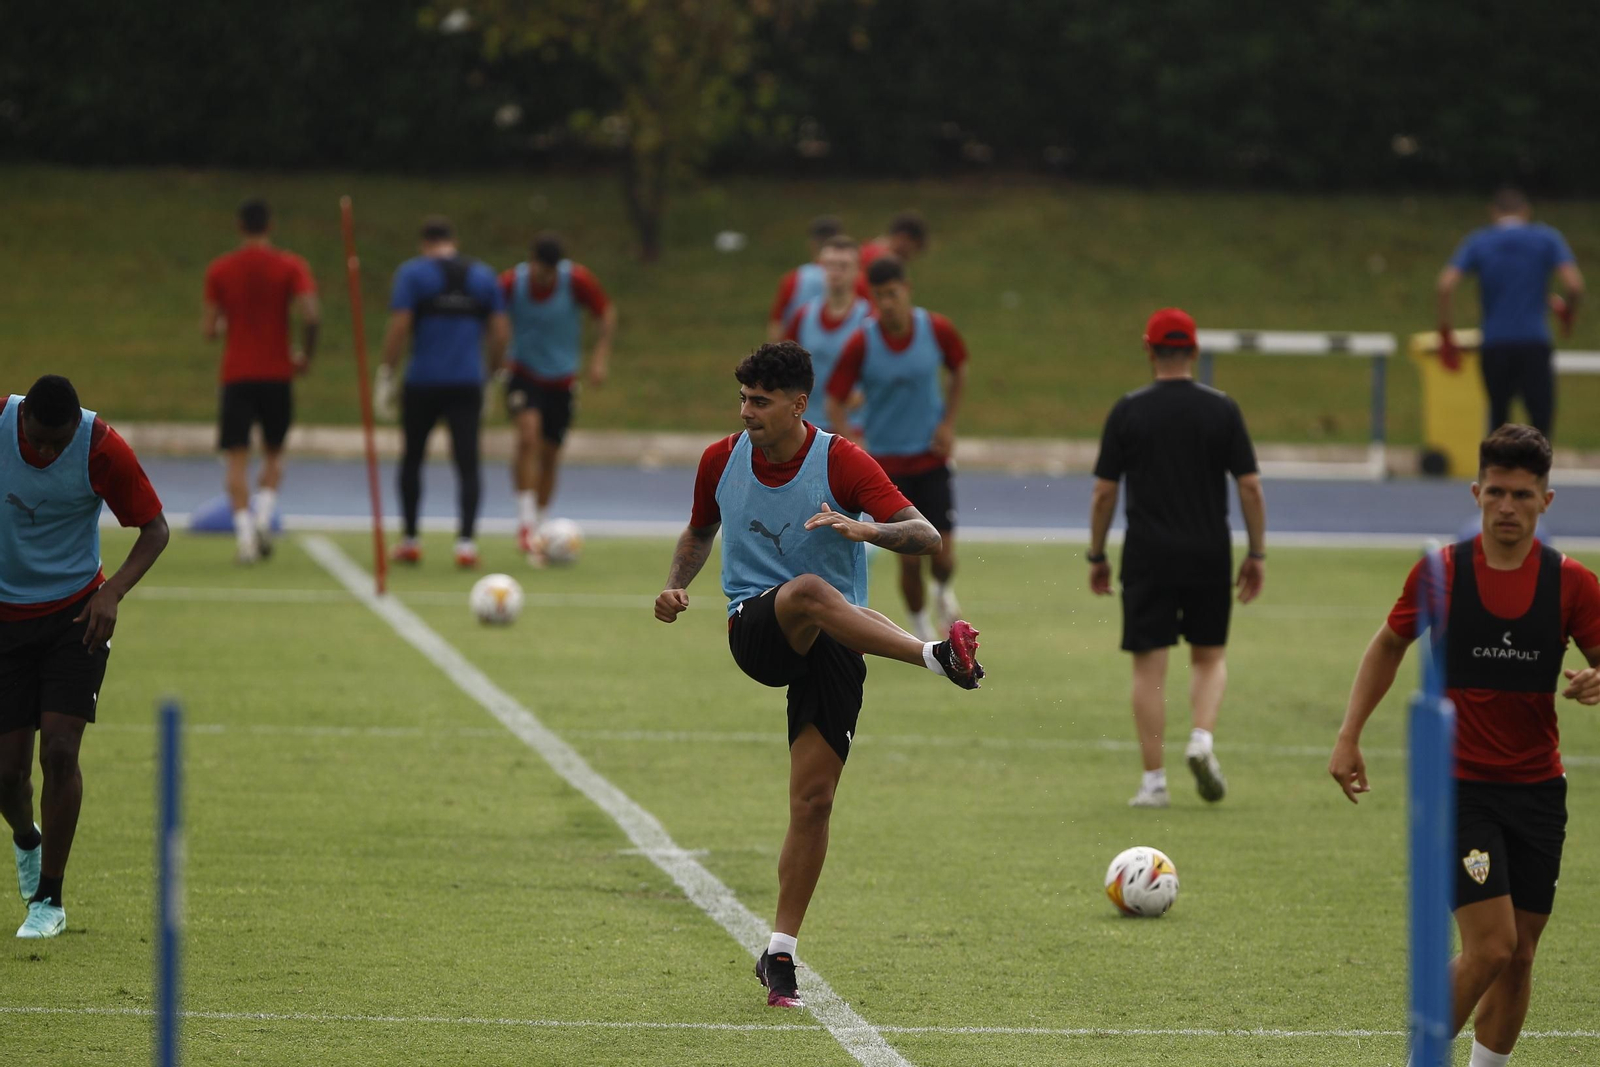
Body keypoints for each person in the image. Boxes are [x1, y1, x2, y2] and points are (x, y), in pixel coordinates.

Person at [654, 341, 984, 1009]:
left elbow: (924, 535)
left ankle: (780, 953)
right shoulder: (721, 458)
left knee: (813, 801)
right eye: (743, 398)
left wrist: (867, 533)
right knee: (805, 589)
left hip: (836, 637)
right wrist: (674, 586)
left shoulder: (842, 460)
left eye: (761, 401)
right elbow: (699, 531)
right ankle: (932, 656)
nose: (747, 411)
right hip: (756, 627)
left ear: (799, 404)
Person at [1329, 424, 1600, 1067]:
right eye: (1497, 493)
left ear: (1547, 501)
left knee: (1522, 952)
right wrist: (1349, 735)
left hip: (1538, 792)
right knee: (1491, 946)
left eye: (1523, 496)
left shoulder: (1573, 585)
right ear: (1477, 492)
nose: (1508, 508)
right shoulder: (1441, 572)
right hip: (1459, 790)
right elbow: (1389, 644)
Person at [1, 375, 168, 939]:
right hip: (6, 621)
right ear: (23, 420)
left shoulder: (100, 447)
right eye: (38, 441)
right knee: (7, 776)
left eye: (57, 443)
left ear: (73, 429)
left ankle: (50, 897)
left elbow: (155, 527)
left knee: (61, 753)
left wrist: (112, 591)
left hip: (76, 618)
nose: (46, 453)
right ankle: (27, 837)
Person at [1087, 308, 1266, 809]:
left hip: (1147, 553)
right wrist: (1256, 551)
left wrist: (1097, 553)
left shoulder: (1127, 410)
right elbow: (1249, 486)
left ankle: (1153, 784)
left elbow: (1104, 493)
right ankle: (1202, 740)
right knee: (1209, 656)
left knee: (1150, 669)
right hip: (1209, 550)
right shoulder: (1223, 409)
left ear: (1148, 350)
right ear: (1194, 351)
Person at [823, 256, 967, 641]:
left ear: (906, 290)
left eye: (892, 293)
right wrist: (850, 440)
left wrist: (948, 423)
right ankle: (921, 629)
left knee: (944, 551)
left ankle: (941, 590)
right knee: (908, 559)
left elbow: (959, 368)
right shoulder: (861, 343)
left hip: (931, 457)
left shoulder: (936, 329)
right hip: (888, 467)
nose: (887, 303)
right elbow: (834, 398)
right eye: (878, 296)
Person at [375, 217, 508, 568]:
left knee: (413, 458)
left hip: (422, 381)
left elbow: (400, 324)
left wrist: (387, 372)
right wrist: (494, 372)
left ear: (424, 243)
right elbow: (499, 329)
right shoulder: (482, 275)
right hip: (467, 381)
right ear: (453, 240)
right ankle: (466, 544)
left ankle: (410, 540)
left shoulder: (413, 274)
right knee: (467, 462)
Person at [202, 198, 319, 563]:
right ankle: (265, 517)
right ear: (270, 226)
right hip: (277, 372)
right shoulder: (290, 266)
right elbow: (311, 314)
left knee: (236, 459)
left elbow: (209, 329)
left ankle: (245, 538)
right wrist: (305, 356)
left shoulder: (221, 270)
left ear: (240, 226)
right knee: (274, 452)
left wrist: (223, 323)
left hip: (237, 373)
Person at [498, 232, 617, 563]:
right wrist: (497, 348)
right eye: (541, 269)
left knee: (550, 453)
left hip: (561, 379)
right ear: (531, 261)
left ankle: (540, 523)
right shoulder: (512, 282)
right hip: (522, 373)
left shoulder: (577, 280)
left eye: (551, 271)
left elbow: (605, 313)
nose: (545, 276)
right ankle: (523, 523)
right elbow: (491, 312)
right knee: (527, 436)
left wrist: (599, 358)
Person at [1438, 188, 1584, 441]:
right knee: (1541, 421)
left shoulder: (1480, 241)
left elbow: (1445, 285)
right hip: (1534, 341)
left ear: (1493, 213)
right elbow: (1574, 285)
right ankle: (1538, 477)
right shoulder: (1546, 238)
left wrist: (1446, 334)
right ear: (1526, 211)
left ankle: (1497, 479)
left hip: (1495, 342)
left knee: (1498, 422)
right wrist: (1568, 313)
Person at [782, 235, 871, 432]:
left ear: (858, 270)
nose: (835, 272)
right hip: (808, 425)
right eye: (829, 265)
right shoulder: (803, 316)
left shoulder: (870, 319)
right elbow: (784, 368)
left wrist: (864, 394)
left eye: (843, 265)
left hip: (856, 427)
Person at [765, 215, 843, 342]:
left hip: (799, 356)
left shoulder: (792, 280)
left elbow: (776, 330)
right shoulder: (857, 280)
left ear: (811, 244)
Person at [858, 211, 929, 278]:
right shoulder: (885, 264)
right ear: (904, 238)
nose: (911, 257)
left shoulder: (865, 250)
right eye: (914, 250)